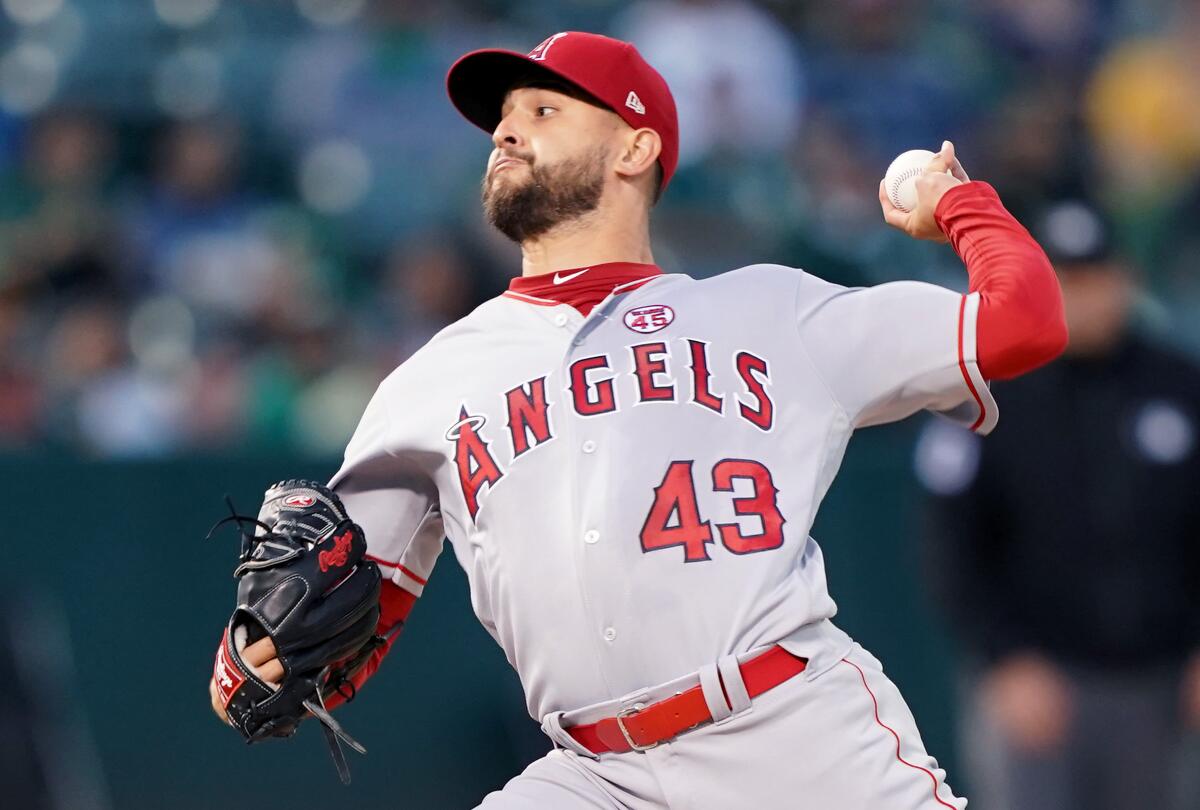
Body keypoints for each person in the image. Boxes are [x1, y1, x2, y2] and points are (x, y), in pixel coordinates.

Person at [209, 31, 1067, 808]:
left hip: (791, 740)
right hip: (593, 775)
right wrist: (258, 657)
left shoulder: (774, 311)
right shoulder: (430, 381)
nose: (507, 132)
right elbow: (352, 608)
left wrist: (958, 204)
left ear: (635, 145)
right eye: (503, 120)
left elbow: (1027, 320)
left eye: (542, 109)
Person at [917, 198, 1200, 810]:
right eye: (1065, 279)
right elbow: (953, 543)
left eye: (1095, 276)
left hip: (1159, 681)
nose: (1084, 295)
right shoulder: (985, 391)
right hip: (1036, 683)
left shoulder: (1179, 384)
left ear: (1126, 278)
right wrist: (1003, 659)